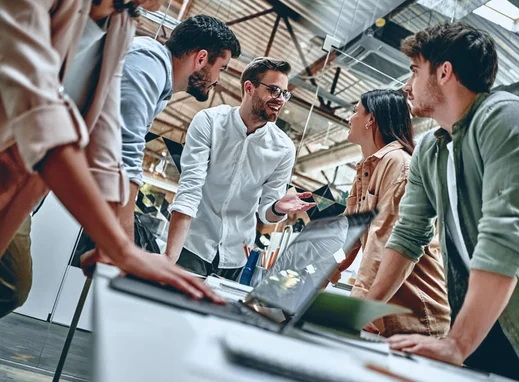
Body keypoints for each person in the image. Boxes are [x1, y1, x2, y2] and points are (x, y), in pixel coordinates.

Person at [369, 22, 519, 381]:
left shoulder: (508, 119)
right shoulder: (430, 151)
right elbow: (408, 235)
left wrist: (458, 343)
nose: (406, 85)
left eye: (415, 71)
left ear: (444, 72)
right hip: (495, 335)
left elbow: (505, 234)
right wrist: (364, 309)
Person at [0, 0, 220, 312]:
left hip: (18, 180)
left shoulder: (121, 24)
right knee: (12, 285)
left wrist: (114, 243)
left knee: (11, 288)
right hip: (14, 161)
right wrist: (121, 247)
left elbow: (105, 139)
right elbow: (38, 110)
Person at [164, 57, 316, 280]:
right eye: (274, 90)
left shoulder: (284, 148)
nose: (280, 99)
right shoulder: (210, 121)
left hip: (236, 256)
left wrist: (278, 207)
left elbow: (267, 214)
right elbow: (190, 188)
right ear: (249, 87)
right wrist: (169, 257)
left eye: (284, 94)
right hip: (192, 244)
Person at [332, 89, 450, 338]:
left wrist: (360, 306)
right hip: (385, 316)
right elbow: (347, 235)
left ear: (371, 119)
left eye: (355, 111)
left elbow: (381, 240)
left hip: (417, 317)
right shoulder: (367, 167)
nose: (349, 118)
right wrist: (316, 274)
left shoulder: (399, 165)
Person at [117, 14, 241, 240]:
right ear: (202, 58)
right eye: (221, 68)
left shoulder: (161, 86)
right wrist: (123, 244)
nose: (218, 80)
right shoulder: (149, 62)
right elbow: (126, 155)